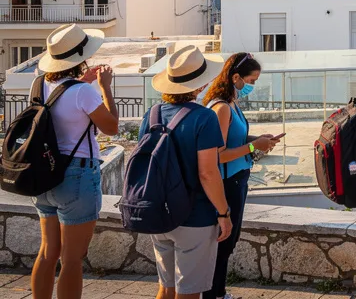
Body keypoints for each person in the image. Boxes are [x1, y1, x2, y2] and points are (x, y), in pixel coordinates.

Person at [29, 25, 120, 299]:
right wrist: (104, 87)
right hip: (76, 177)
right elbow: (112, 127)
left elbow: (62, 109)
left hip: (43, 175)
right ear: (81, 59)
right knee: (71, 258)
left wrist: (86, 83)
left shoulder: (39, 84)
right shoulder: (84, 92)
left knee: (47, 252)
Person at [141, 45, 232, 299]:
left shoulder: (152, 114)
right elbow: (208, 173)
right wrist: (224, 213)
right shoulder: (204, 118)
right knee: (189, 292)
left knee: (166, 288)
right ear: (200, 85)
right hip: (195, 216)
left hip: (159, 211)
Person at [201, 53, 279, 299]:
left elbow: (231, 140)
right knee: (224, 242)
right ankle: (214, 294)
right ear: (236, 77)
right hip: (227, 182)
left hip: (237, 179)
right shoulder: (222, 107)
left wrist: (257, 140)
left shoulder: (230, 103)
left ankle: (216, 292)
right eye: (251, 80)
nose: (253, 86)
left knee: (228, 241)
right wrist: (255, 147)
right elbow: (218, 154)